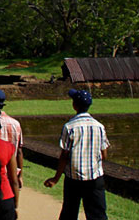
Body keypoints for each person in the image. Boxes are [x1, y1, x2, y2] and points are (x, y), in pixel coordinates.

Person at [44, 89, 109, 220]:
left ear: (74, 105)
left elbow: (64, 156)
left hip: (73, 177)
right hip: (94, 176)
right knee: (97, 213)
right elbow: (104, 154)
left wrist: (56, 178)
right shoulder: (99, 127)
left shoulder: (69, 127)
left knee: (69, 211)